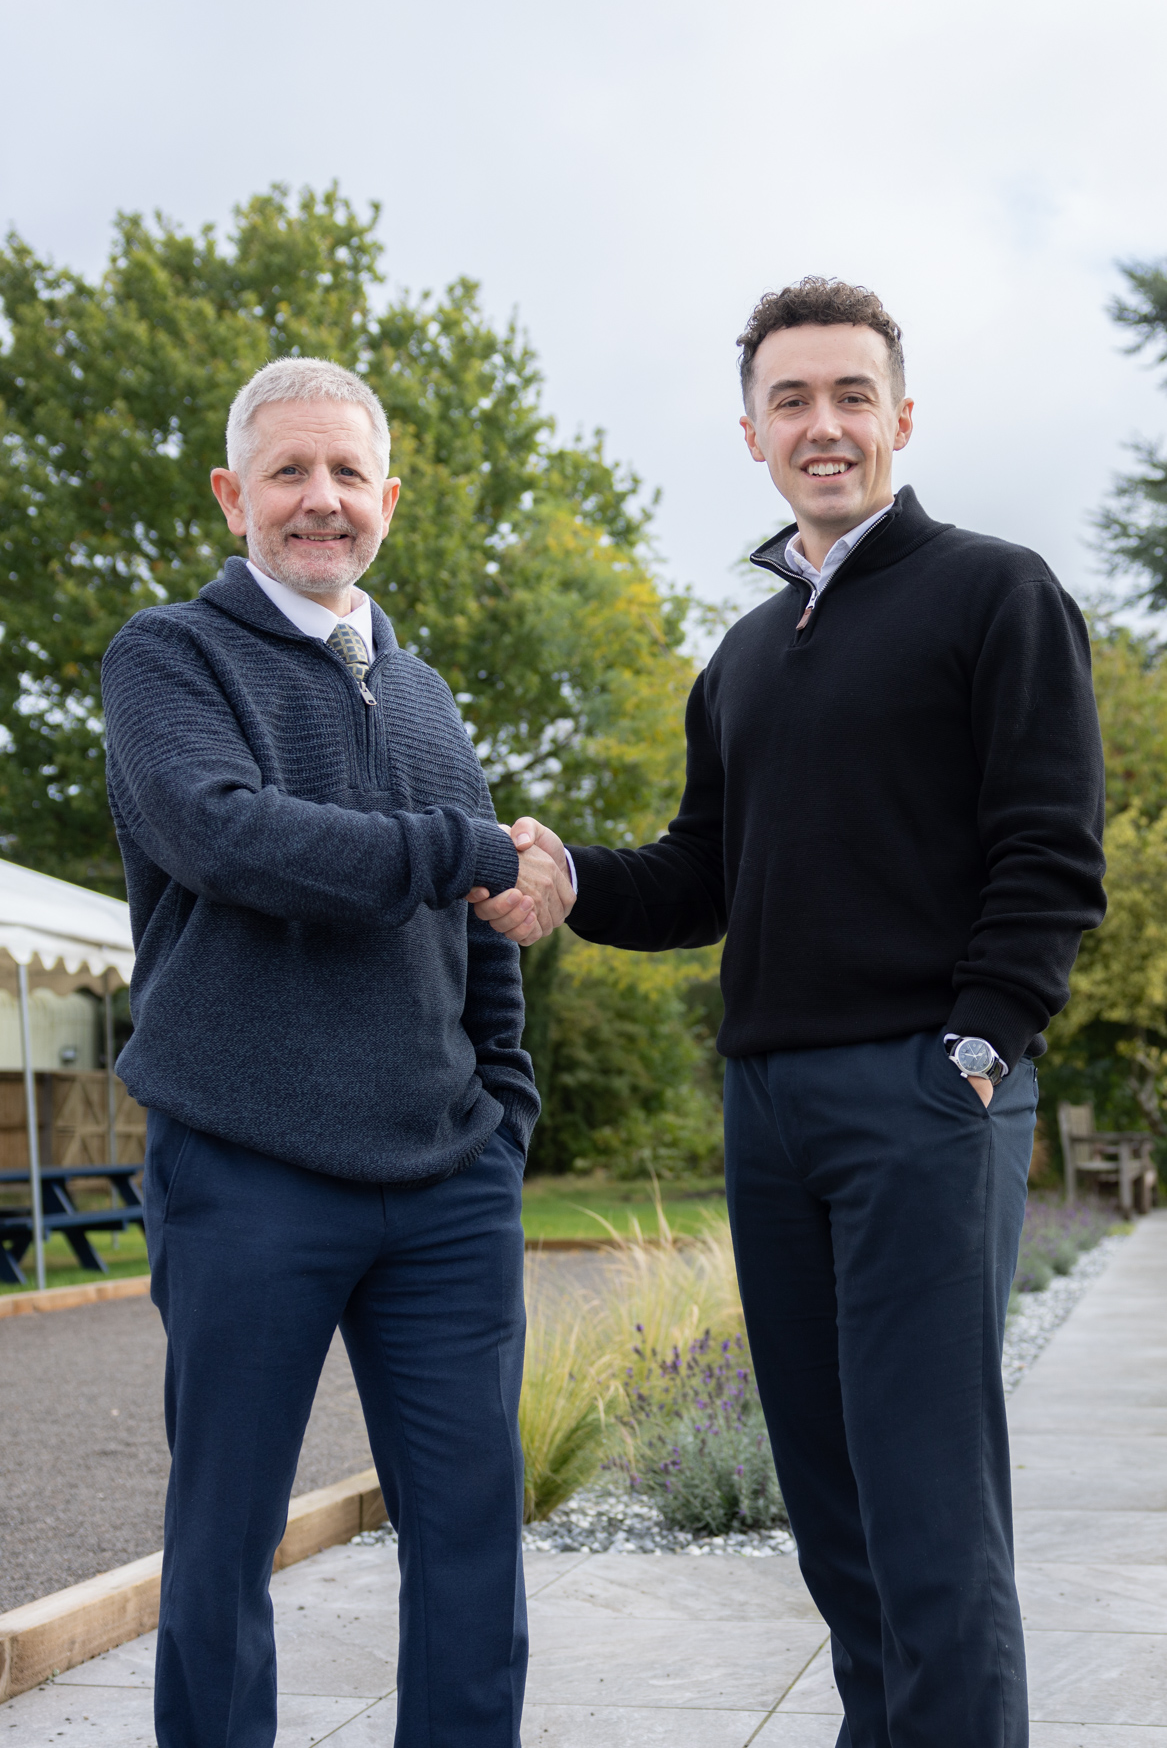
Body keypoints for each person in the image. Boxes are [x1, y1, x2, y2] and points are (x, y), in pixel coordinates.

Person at [476, 279, 1106, 1748]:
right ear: (752, 428)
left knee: (928, 1504)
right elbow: (705, 872)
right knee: (828, 1504)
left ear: (901, 415)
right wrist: (566, 874)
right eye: (791, 400)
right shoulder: (746, 655)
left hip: (923, 1097)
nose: (823, 425)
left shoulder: (996, 592)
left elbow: (1050, 851)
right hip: (769, 1108)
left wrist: (977, 1044)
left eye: (848, 395)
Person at [101, 356, 573, 1748]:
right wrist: (469, 847)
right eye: (291, 472)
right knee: (223, 1543)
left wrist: (505, 1115)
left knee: (473, 1545)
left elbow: (488, 931)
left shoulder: (422, 694)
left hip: (446, 1185)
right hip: (249, 1171)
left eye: (348, 475)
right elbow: (226, 834)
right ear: (232, 493)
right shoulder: (166, 657)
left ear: (390, 500)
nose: (322, 501)